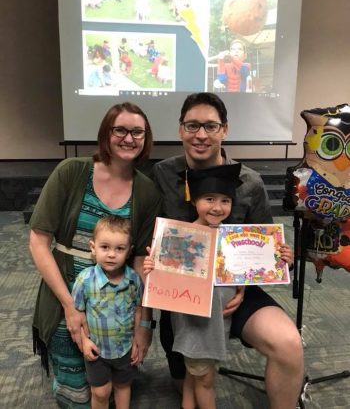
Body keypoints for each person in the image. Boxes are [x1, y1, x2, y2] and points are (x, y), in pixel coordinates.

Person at [151, 92, 304, 409]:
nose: (201, 135)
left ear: (225, 130)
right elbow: (150, 239)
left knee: (289, 344)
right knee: (188, 384)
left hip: (236, 293)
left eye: (210, 126)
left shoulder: (250, 181)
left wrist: (271, 261)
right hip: (184, 301)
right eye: (192, 126)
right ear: (180, 129)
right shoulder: (163, 175)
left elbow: (265, 245)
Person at [29, 102, 162, 408]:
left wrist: (144, 324)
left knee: (113, 388)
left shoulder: (147, 191)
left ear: (146, 138)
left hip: (117, 310)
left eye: (137, 132)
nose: (129, 138)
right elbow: (38, 241)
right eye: (120, 130)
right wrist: (70, 308)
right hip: (64, 295)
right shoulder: (72, 172)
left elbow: (142, 262)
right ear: (106, 133)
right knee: (75, 390)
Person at [72, 215, 145, 409]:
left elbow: (138, 309)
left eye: (119, 249)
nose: (112, 254)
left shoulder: (133, 280)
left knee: (123, 386)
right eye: (105, 247)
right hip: (97, 351)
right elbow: (76, 315)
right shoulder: (84, 280)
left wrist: (138, 338)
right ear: (92, 247)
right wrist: (84, 341)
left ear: (129, 252)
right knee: (100, 392)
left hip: (125, 349)